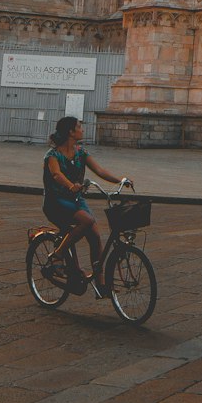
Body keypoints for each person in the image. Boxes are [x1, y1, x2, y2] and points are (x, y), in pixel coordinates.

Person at [41, 116, 125, 292]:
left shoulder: (81, 153)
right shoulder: (52, 155)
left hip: (76, 201)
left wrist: (121, 181)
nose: (82, 130)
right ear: (71, 132)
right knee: (86, 221)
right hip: (55, 202)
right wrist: (71, 186)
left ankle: (101, 283)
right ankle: (58, 254)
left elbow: (100, 170)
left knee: (95, 236)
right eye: (79, 127)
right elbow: (56, 175)